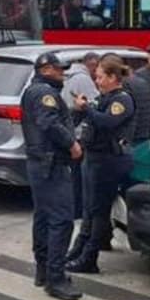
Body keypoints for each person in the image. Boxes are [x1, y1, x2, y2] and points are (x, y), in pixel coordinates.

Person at [20, 52, 84, 300]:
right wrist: (72, 144)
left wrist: (75, 112)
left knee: (44, 217)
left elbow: (56, 118)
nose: (63, 74)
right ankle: (56, 278)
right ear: (46, 69)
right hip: (51, 163)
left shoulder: (36, 91)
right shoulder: (44, 92)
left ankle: (44, 270)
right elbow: (49, 123)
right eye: (59, 70)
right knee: (61, 220)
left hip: (40, 163)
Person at [67, 56, 136, 274]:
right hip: (93, 157)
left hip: (109, 160)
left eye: (99, 77)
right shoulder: (102, 97)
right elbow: (86, 121)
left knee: (98, 211)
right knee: (88, 209)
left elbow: (107, 123)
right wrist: (80, 109)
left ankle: (89, 258)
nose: (96, 81)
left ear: (113, 77)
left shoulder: (122, 100)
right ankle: (79, 249)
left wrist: (87, 108)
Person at [61, 52, 99, 257]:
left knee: (74, 175)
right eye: (98, 73)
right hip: (78, 135)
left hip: (68, 133)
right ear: (92, 66)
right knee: (81, 178)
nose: (98, 78)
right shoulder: (84, 80)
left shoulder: (69, 77)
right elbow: (95, 105)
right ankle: (79, 210)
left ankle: (75, 208)